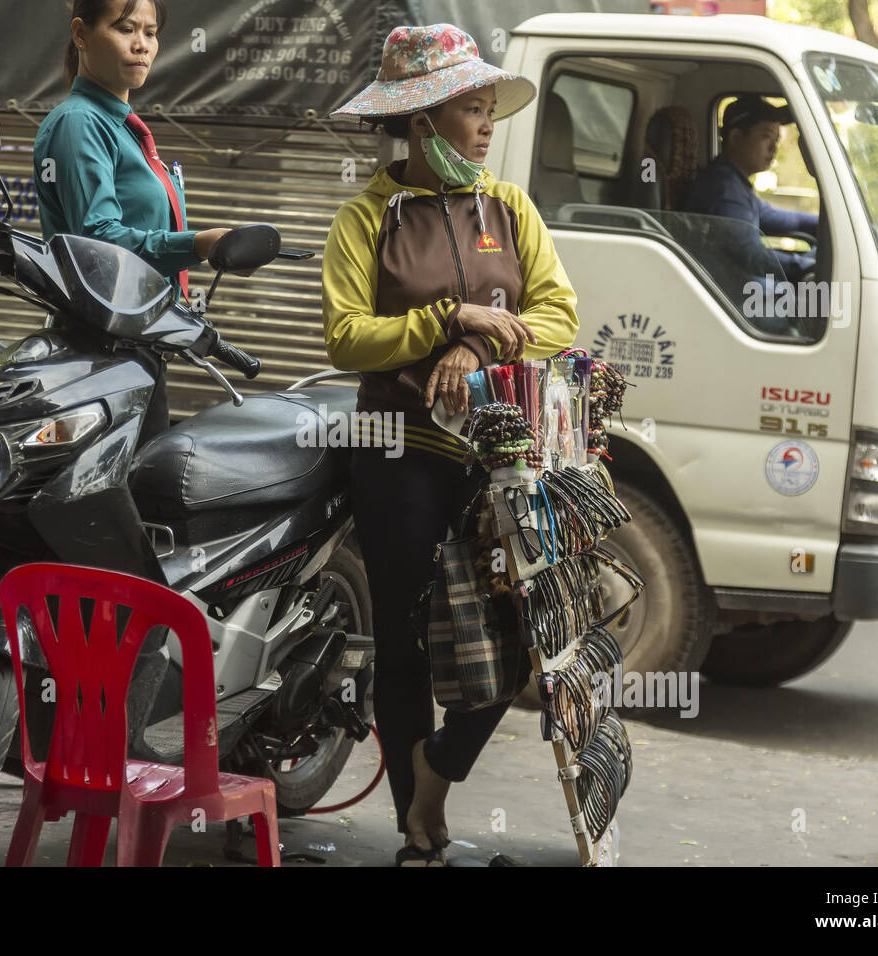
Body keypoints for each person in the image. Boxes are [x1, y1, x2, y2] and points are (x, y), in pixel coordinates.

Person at [322, 24, 579, 867]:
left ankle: (433, 776)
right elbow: (346, 338)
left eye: (487, 110)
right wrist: (444, 319)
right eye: (471, 110)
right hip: (396, 453)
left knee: (520, 639)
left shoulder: (509, 209)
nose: (486, 127)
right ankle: (414, 833)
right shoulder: (367, 217)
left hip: (500, 464)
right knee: (405, 645)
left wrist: (479, 344)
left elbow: (558, 315)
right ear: (422, 121)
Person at [34, 0, 231, 447]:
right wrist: (199, 245)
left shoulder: (120, 127)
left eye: (151, 32)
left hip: (137, 345)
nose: (142, 45)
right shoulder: (80, 123)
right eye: (125, 29)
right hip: (99, 352)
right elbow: (98, 241)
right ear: (81, 34)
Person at [683, 94, 819, 282]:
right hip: (734, 298)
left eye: (777, 140)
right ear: (736, 138)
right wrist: (805, 267)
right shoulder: (723, 189)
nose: (774, 148)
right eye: (766, 137)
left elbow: (786, 220)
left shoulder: (734, 182)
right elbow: (751, 256)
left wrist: (826, 225)